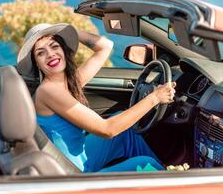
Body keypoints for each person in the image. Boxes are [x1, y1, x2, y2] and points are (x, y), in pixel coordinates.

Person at [17, 23, 176, 172]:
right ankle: (169, 181)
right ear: (37, 63)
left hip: (81, 156)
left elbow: (105, 46)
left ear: (64, 49)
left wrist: (67, 32)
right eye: (40, 53)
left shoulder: (67, 82)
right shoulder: (48, 91)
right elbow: (108, 130)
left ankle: (158, 174)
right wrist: (155, 98)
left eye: (55, 46)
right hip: (73, 172)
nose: (50, 55)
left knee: (126, 132)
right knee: (146, 164)